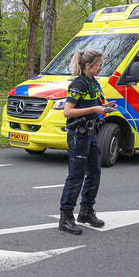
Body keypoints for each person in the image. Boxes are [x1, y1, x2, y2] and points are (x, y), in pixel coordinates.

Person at [57, 49, 110, 235]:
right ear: (88, 65)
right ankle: (66, 217)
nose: (102, 67)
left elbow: (98, 102)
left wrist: (105, 107)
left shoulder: (94, 83)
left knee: (94, 172)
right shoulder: (78, 84)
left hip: (92, 132)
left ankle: (86, 211)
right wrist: (94, 108)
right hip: (78, 135)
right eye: (99, 64)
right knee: (76, 176)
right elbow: (68, 111)